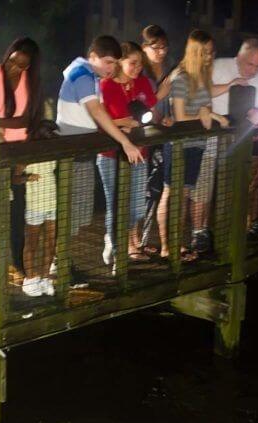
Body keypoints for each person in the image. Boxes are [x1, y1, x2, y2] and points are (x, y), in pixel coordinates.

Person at [57, 35, 143, 286]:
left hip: (82, 150)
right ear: (93, 56)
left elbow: (98, 116)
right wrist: (125, 142)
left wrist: (122, 127)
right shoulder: (83, 74)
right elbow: (96, 111)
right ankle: (60, 264)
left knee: (79, 213)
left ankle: (62, 262)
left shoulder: (91, 76)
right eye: (107, 61)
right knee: (71, 212)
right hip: (72, 152)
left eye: (115, 62)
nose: (111, 67)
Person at [157, 30, 235, 261]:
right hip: (180, 145)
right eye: (206, 53)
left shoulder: (200, 75)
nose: (211, 57)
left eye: (212, 52)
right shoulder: (181, 77)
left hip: (197, 145)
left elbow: (206, 93)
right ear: (196, 52)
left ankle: (176, 244)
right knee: (172, 194)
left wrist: (230, 85)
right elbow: (180, 117)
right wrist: (213, 116)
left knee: (184, 194)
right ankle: (166, 246)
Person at [96, 42, 157, 267]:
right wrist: (125, 122)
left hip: (139, 152)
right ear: (120, 61)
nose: (138, 68)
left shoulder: (142, 83)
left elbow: (150, 111)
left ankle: (116, 241)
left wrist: (157, 118)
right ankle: (116, 250)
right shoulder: (105, 85)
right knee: (115, 204)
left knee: (137, 206)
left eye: (141, 64)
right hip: (111, 154)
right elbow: (102, 121)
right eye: (133, 63)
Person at [0, 38, 43, 283]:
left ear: (29, 66)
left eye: (21, 66)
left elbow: (24, 121)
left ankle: (18, 264)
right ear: (8, 55)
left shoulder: (30, 83)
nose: (14, 69)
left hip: (18, 152)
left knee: (17, 213)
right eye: (12, 61)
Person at [211, 39, 258, 239]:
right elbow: (201, 94)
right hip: (221, 140)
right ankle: (221, 231)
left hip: (253, 142)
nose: (253, 70)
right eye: (249, 64)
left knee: (252, 184)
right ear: (239, 57)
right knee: (222, 186)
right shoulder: (219, 66)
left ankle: (249, 224)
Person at [140, 25, 175, 253]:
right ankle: (136, 242)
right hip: (145, 138)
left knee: (157, 189)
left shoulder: (167, 71)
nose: (161, 52)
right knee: (143, 190)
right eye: (156, 47)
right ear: (145, 47)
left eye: (164, 47)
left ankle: (145, 241)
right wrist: (159, 110)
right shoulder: (141, 72)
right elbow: (142, 106)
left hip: (163, 137)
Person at [19, 120, 59, 297]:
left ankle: (45, 278)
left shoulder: (53, 151)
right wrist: (27, 178)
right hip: (35, 204)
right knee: (32, 243)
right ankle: (30, 278)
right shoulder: (26, 154)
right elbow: (15, 178)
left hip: (52, 202)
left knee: (51, 243)